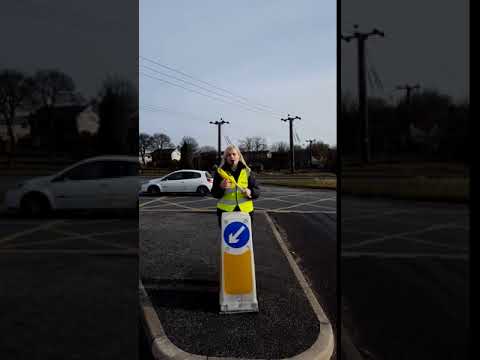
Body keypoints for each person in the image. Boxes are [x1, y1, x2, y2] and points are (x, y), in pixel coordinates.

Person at [211, 144, 260, 227]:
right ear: (225, 158)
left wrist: (250, 191)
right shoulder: (220, 173)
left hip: (245, 212)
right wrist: (221, 187)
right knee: (228, 239)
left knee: (244, 238)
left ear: (239, 156)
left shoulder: (247, 171)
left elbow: (257, 191)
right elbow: (214, 193)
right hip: (226, 212)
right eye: (228, 155)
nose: (231, 157)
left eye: (234, 154)